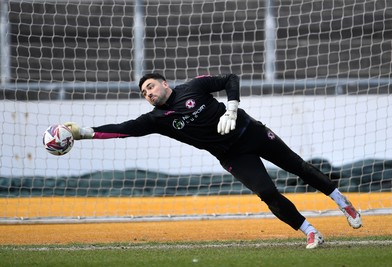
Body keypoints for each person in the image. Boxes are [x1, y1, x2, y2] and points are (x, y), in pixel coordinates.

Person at [65, 73, 362, 249]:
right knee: (268, 193)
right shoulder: (155, 119)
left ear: (164, 84)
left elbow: (230, 79)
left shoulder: (193, 87)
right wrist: (83, 133)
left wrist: (231, 109)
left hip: (251, 131)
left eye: (151, 87)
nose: (148, 94)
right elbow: (122, 130)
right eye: (144, 93)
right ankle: (310, 231)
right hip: (233, 155)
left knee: (298, 167)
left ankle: (341, 201)